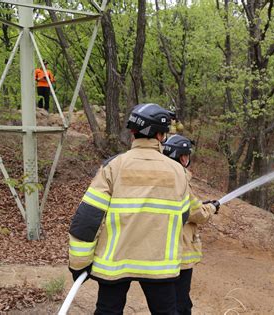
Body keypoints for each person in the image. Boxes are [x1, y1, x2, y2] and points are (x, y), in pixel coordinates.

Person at [68, 103, 191, 315]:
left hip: (115, 263)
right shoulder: (178, 172)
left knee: (108, 311)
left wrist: (80, 264)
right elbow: (183, 215)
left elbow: (87, 220)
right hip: (159, 265)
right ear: (161, 136)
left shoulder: (113, 167)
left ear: (133, 132)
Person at [162, 134, 220, 315]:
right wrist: (211, 207)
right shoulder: (179, 180)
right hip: (180, 253)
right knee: (181, 304)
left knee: (166, 301)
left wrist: (202, 205)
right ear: (183, 157)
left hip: (160, 251)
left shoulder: (161, 177)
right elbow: (197, 214)